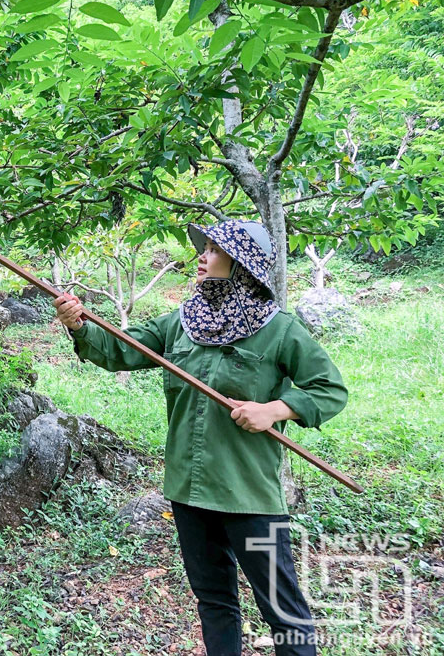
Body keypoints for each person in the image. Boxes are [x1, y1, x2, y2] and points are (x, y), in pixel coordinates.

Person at [53, 220, 349, 656]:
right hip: (189, 492)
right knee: (213, 601)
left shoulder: (280, 330)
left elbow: (330, 389)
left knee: (282, 609)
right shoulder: (183, 322)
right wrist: (79, 326)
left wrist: (274, 409)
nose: (202, 257)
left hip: (248, 494)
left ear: (241, 263)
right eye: (204, 248)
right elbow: (120, 348)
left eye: (213, 249)